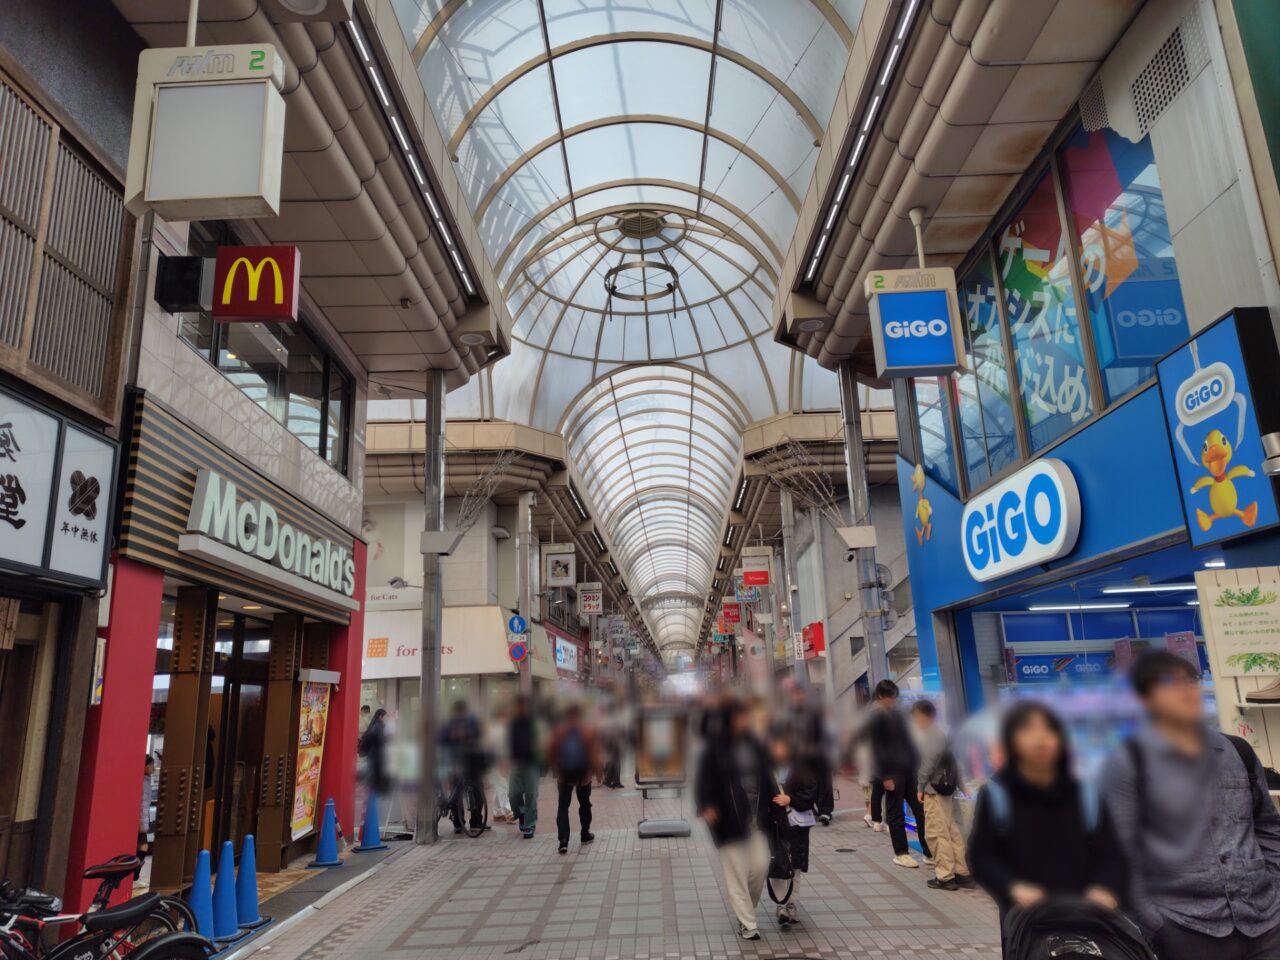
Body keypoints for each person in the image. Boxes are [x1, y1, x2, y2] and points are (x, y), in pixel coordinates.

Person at [1101, 650, 1280, 960]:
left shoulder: (1238, 752)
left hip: (1264, 923)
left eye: (1190, 680)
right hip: (1185, 928)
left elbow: (1267, 827)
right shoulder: (1126, 763)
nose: (1185, 690)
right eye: (1169, 683)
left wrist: (1276, 891)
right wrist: (1156, 925)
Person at [968, 701, 1126, 930]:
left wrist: (1105, 887)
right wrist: (1012, 887)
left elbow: (1113, 855)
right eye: (1028, 730)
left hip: (1090, 919)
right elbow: (981, 856)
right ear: (1012, 740)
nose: (1041, 739)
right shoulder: (996, 795)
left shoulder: (1086, 794)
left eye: (1049, 730)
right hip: (1027, 925)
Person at [695, 698, 780, 941]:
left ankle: (746, 909)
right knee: (736, 873)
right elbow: (703, 778)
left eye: (746, 717)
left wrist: (776, 801)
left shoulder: (754, 743)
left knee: (761, 865)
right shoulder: (714, 746)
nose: (745, 721)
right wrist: (706, 805)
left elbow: (767, 775)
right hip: (727, 818)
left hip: (756, 817)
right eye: (740, 717)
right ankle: (747, 923)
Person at [866, 680, 931, 867]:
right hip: (892, 771)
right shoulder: (874, 718)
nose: (892, 701)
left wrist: (917, 763)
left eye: (894, 697)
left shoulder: (897, 714)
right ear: (880, 697)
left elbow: (908, 740)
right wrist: (884, 775)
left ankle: (928, 852)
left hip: (910, 769)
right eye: (889, 698)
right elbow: (875, 749)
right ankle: (901, 852)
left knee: (920, 810)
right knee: (896, 812)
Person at [911, 700, 972, 891]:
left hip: (934, 791)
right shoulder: (943, 733)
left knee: (938, 834)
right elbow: (954, 763)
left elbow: (927, 764)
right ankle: (962, 873)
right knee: (953, 831)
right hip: (947, 790)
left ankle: (945, 876)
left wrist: (920, 786)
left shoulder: (930, 735)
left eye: (916, 717)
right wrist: (961, 786)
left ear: (922, 715)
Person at [768, 729, 815, 927]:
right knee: (778, 865)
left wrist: (791, 799)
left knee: (795, 866)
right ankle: (780, 905)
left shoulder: (802, 768)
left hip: (797, 827)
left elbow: (811, 794)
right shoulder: (766, 769)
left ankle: (791, 903)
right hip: (775, 827)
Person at [547, 702, 601, 854]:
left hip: (564, 775)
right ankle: (585, 833)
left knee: (563, 806)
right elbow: (595, 752)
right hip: (583, 775)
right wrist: (598, 772)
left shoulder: (559, 730)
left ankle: (563, 840)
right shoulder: (587, 730)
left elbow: (550, 750)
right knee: (585, 804)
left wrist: (555, 768)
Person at [788, 685, 833, 825]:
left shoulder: (815, 712)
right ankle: (808, 806)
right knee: (805, 781)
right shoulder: (789, 714)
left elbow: (822, 733)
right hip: (799, 755)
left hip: (817, 752)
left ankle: (825, 811)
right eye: (795, 695)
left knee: (823, 779)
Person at [440, 700, 485, 834]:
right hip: (455, 762)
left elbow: (478, 735)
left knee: (477, 792)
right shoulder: (449, 724)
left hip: (471, 761)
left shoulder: (471, 721)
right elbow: (442, 741)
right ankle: (458, 823)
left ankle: (476, 821)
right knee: (456, 794)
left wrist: (468, 735)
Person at [508, 695, 540, 839]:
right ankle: (520, 813)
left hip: (532, 763)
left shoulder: (535, 723)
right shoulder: (513, 723)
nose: (520, 709)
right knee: (513, 794)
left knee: (531, 795)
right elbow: (508, 742)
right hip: (516, 763)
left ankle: (530, 824)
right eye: (518, 706)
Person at [358, 708, 391, 797]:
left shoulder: (377, 724)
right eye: (385, 717)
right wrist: (387, 739)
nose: (386, 718)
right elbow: (377, 738)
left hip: (375, 754)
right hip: (374, 754)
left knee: (374, 773)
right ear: (381, 717)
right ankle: (371, 792)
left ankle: (373, 791)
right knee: (373, 773)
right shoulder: (377, 725)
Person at [136, 755, 155, 880]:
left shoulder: (145, 780)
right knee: (143, 846)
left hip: (141, 818)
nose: (154, 768)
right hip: (140, 819)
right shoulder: (143, 782)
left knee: (142, 846)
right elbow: (143, 804)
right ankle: (135, 873)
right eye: (151, 765)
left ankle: (135, 872)